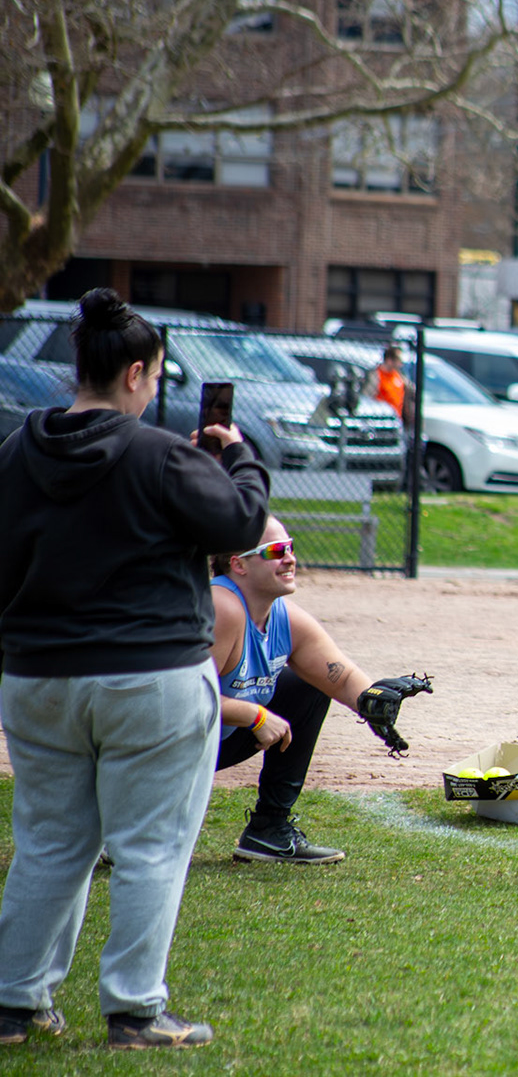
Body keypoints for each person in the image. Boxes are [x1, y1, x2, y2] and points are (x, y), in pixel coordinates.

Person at [0, 289, 269, 1050]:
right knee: (151, 846)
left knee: (50, 842)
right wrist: (239, 457)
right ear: (136, 374)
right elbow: (240, 522)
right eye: (154, 376)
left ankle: (14, 1002)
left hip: (38, 677)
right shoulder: (159, 454)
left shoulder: (15, 453)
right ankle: (135, 1010)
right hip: (152, 676)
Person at [210, 517, 434, 864]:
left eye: (290, 548)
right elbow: (181, 700)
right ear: (238, 564)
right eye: (275, 551)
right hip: (156, 751)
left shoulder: (282, 616)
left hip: (209, 742)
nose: (289, 558)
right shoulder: (220, 607)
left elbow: (339, 678)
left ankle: (269, 830)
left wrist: (371, 702)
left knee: (308, 688)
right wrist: (255, 716)